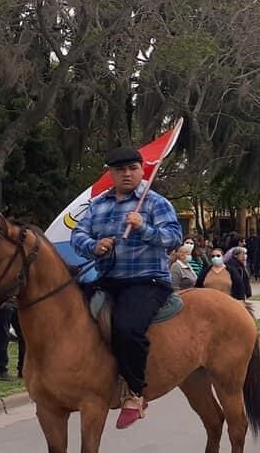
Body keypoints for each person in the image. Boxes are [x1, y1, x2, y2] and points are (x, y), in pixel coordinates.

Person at [70, 146, 183, 429]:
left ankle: (135, 392)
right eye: (120, 170)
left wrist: (143, 227)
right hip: (107, 278)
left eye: (132, 168)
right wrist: (94, 245)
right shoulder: (98, 204)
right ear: (111, 173)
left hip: (147, 280)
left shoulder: (155, 202)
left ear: (141, 169)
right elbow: (78, 234)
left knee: (127, 328)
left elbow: (173, 238)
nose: (127, 174)